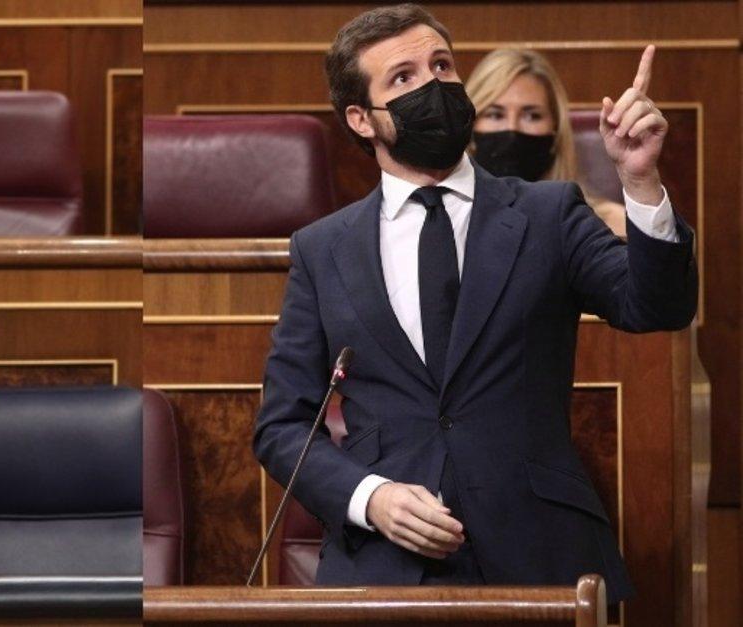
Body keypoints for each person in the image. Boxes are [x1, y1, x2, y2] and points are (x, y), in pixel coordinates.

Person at [253, 4, 695, 604]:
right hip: (387, 569)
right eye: (403, 78)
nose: (433, 85)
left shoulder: (549, 213)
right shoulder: (322, 249)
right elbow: (283, 426)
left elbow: (657, 307)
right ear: (361, 118)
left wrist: (640, 182)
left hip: (544, 557)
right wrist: (370, 498)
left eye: (442, 65)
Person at [466, 48, 628, 237]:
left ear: (555, 128)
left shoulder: (607, 224)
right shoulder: (449, 222)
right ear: (470, 127)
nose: (512, 129)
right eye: (495, 114)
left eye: (532, 116)